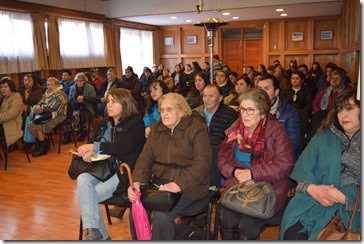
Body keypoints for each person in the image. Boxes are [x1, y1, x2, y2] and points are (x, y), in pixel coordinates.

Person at [128, 92, 212, 240]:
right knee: (136, 205)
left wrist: (178, 184)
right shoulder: (156, 129)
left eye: (169, 109)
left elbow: (202, 164)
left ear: (181, 110)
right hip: (160, 184)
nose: (164, 113)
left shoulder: (196, 129)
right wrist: (137, 182)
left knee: (162, 214)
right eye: (162, 110)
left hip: (189, 186)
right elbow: (145, 159)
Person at [280, 88, 360, 240]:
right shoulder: (324, 135)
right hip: (312, 201)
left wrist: (345, 197)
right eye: (339, 109)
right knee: (292, 233)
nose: (343, 114)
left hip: (354, 210)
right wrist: (312, 189)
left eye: (349, 108)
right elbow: (302, 172)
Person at [218, 88, 295, 240]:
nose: (244, 114)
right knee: (225, 216)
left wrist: (253, 173)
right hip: (237, 185)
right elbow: (221, 158)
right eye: (242, 109)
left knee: (247, 223)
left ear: (262, 112)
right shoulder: (236, 128)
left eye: (250, 110)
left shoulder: (276, 130)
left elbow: (285, 164)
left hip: (267, 188)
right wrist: (234, 172)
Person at [77, 88, 145, 240]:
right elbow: (92, 143)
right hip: (103, 169)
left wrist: (95, 147)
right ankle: (94, 232)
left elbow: (122, 148)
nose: (109, 105)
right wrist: (90, 153)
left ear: (125, 104)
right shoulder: (104, 124)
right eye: (108, 101)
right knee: (83, 179)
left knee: (87, 197)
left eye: (114, 101)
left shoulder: (136, 124)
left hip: (123, 175)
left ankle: (99, 236)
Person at [193, 84, 238, 187]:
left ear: (220, 98)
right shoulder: (196, 113)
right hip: (198, 148)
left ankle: (212, 188)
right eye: (204, 96)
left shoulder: (229, 114)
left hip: (219, 149)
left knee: (212, 153)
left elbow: (230, 137)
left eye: (211, 96)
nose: (206, 100)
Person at [257, 75, 301, 158]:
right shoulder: (250, 109)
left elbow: (293, 144)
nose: (261, 92)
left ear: (276, 92)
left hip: (277, 158)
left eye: (266, 88)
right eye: (259, 88)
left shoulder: (289, 112)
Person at [28, 77, 68, 157]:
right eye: (48, 85)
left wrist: (41, 108)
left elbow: (53, 107)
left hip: (58, 114)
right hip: (46, 113)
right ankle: (44, 142)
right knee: (30, 126)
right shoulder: (47, 92)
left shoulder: (60, 94)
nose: (49, 86)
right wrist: (37, 107)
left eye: (51, 85)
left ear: (57, 85)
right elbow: (41, 101)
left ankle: (42, 147)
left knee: (39, 125)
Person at [281, 70, 313, 147]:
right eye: (293, 78)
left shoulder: (307, 91)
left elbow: (309, 105)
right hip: (287, 115)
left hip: (301, 115)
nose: (294, 80)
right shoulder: (285, 90)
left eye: (297, 78)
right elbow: (282, 103)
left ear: (302, 80)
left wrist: (299, 113)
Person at [67, 72, 97, 143]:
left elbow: (94, 99)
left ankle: (83, 133)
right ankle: (72, 133)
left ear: (84, 81)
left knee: (82, 114)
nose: (79, 82)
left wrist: (84, 98)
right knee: (73, 114)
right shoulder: (72, 88)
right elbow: (69, 99)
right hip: (75, 106)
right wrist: (76, 100)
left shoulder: (90, 87)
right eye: (77, 81)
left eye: (81, 81)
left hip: (87, 107)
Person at [0, 77, 24, 152]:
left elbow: (11, 114)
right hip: (4, 123)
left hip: (12, 124)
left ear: (11, 87)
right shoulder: (4, 97)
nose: (3, 89)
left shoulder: (16, 97)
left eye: (5, 86)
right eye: (1, 87)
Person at [18, 74, 43, 142]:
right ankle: (23, 140)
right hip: (21, 110)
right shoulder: (20, 90)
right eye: (25, 80)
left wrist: (28, 108)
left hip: (34, 112)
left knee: (25, 119)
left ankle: (32, 141)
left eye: (29, 81)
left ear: (33, 82)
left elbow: (39, 104)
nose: (26, 82)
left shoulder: (38, 90)